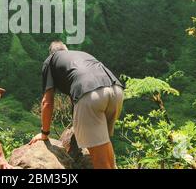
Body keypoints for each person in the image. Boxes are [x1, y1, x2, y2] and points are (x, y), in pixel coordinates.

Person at [29, 41, 125, 169]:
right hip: (116, 91)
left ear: (51, 53)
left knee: (100, 162)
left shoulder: (50, 60)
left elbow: (47, 101)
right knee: (104, 142)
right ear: (66, 50)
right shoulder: (81, 54)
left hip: (90, 94)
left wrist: (44, 133)